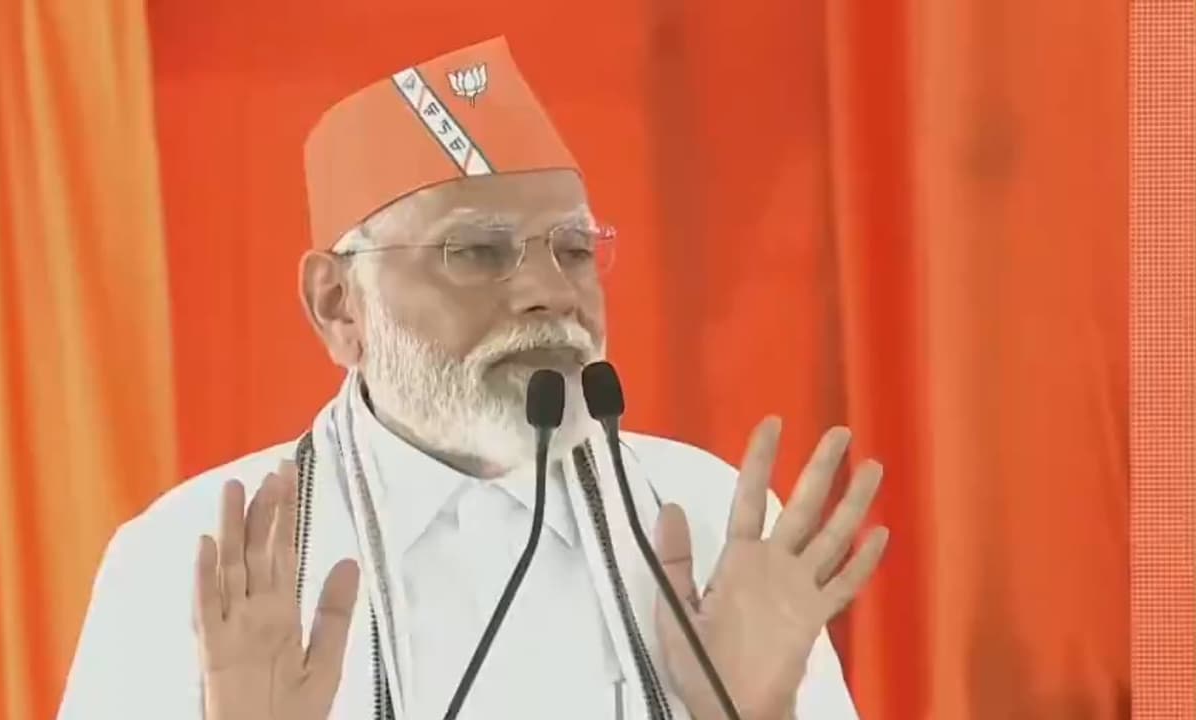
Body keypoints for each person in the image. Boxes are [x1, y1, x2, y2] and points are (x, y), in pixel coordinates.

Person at [57, 36, 889, 720]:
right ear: (338, 302)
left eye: (572, 251)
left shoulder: (706, 523)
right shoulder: (189, 563)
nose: (550, 294)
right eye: (477, 253)